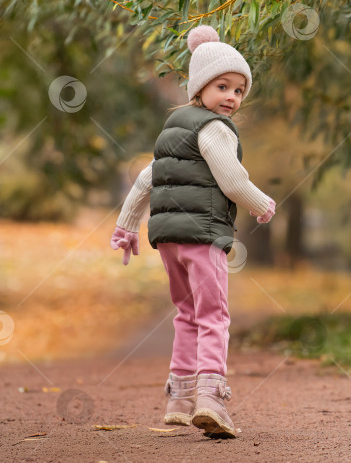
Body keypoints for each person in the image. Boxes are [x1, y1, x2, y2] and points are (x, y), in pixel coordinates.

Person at [110, 25, 276, 439]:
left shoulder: (173, 131)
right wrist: (262, 203)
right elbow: (232, 180)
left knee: (186, 315)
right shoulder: (214, 129)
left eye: (239, 91)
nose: (232, 99)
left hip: (168, 238)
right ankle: (211, 399)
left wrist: (126, 227)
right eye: (223, 87)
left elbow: (146, 180)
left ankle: (180, 399)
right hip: (202, 235)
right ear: (199, 87)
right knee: (214, 315)